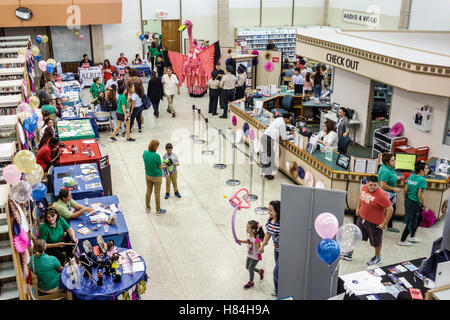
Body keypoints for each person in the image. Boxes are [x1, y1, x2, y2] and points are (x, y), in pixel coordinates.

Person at [348, 176, 393, 266]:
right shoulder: (364, 187)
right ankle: (349, 254)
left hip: (375, 223)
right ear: (367, 183)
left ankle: (377, 257)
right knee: (356, 236)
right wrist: (358, 208)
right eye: (371, 185)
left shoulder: (382, 195)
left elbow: (390, 209)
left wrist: (384, 224)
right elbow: (360, 198)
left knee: (376, 242)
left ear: (378, 184)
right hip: (362, 218)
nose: (372, 187)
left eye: (375, 185)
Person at [399, 161, 429, 246]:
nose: (428, 170)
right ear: (421, 170)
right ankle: (402, 240)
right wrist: (425, 205)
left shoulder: (412, 176)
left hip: (409, 201)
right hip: (414, 203)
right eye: (426, 169)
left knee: (418, 218)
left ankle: (412, 236)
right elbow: (419, 195)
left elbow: (405, 190)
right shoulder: (423, 180)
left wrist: (406, 199)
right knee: (411, 221)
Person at [261, 114, 294, 180]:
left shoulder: (279, 119)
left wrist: (289, 133)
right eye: (289, 119)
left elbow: (280, 132)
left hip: (264, 137)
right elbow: (284, 137)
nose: (290, 121)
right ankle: (268, 174)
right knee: (271, 156)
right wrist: (292, 136)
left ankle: (265, 172)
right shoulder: (282, 124)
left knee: (268, 156)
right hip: (268, 140)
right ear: (286, 119)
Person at [259, 200, 281, 297]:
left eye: (271, 210)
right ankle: (279, 290)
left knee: (276, 272)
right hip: (276, 250)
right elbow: (268, 233)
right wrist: (262, 245)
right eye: (268, 209)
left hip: (284, 252)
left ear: (277, 211)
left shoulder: (283, 223)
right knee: (279, 271)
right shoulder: (270, 221)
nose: (268, 212)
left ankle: (278, 293)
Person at [378, 153, 402, 233]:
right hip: (386, 193)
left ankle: (389, 226)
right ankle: (381, 225)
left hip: (391, 194)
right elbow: (383, 185)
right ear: (387, 162)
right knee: (384, 211)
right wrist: (394, 189)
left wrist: (398, 178)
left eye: (394, 160)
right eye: (392, 161)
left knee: (393, 209)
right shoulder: (385, 171)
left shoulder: (390, 168)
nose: (394, 162)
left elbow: (391, 176)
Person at [237, 220, 265, 289]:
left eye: (248, 228)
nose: (246, 229)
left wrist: (261, 249)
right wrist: (240, 240)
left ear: (253, 230)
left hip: (255, 257)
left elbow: (259, 249)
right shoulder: (248, 234)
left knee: (250, 269)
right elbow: (248, 241)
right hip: (249, 255)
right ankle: (260, 271)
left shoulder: (256, 238)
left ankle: (251, 282)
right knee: (247, 267)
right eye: (246, 227)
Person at [143, 140, 167, 215]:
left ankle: (147, 207)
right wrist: (164, 165)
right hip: (157, 177)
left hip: (148, 175)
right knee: (157, 193)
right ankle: (158, 210)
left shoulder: (145, 153)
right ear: (156, 147)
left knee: (148, 191)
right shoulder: (156, 156)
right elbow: (160, 167)